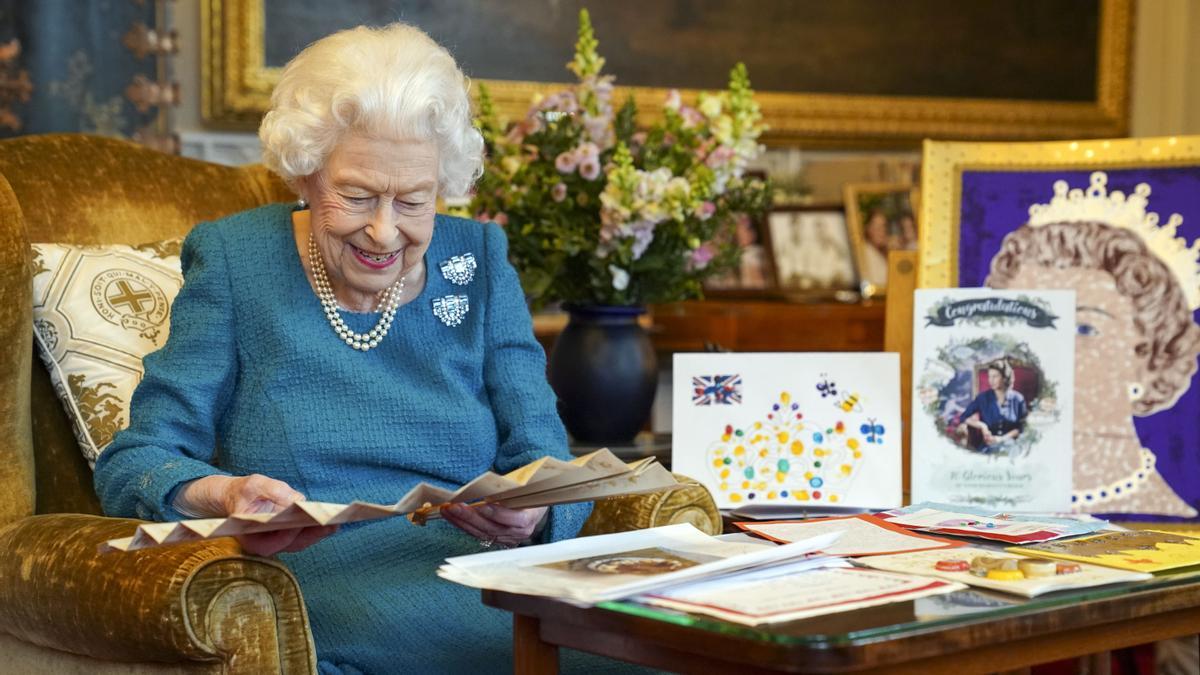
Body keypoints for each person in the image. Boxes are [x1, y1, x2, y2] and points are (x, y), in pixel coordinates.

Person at [94, 23, 599, 673]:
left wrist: (533, 514)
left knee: (665, 648)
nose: (385, 231)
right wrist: (223, 494)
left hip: (487, 578)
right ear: (305, 173)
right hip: (332, 592)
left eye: (413, 200)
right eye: (357, 196)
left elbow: (549, 456)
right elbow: (135, 462)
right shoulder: (234, 260)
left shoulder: (479, 259)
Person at [989, 213, 1200, 517]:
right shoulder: (970, 501)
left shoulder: (1169, 522)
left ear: (1147, 353)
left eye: (1083, 329)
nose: (1042, 355)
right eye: (1024, 326)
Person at [955, 360, 1026, 454]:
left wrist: (1001, 439)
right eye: (989, 376)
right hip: (988, 446)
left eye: (995, 376)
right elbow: (964, 417)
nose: (990, 380)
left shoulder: (1018, 399)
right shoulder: (983, 398)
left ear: (1005, 378)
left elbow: (1022, 427)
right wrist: (982, 425)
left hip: (1012, 445)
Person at [857, 209, 889, 290]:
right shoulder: (865, 253)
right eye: (877, 228)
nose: (882, 232)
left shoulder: (882, 252)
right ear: (868, 229)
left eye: (884, 226)